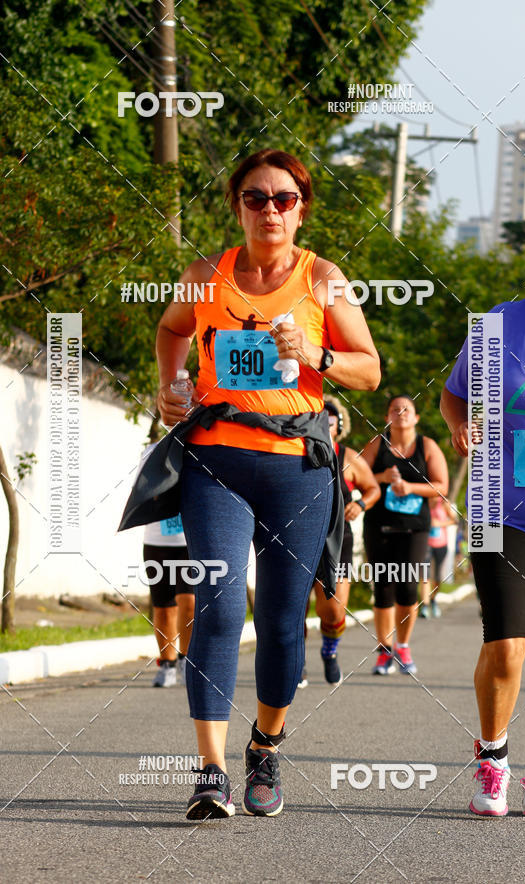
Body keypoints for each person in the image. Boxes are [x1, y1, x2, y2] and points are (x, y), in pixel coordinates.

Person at [154, 149, 380, 819]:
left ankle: (265, 746)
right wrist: (171, 385)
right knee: (220, 607)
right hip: (216, 462)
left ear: (301, 209)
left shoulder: (323, 279)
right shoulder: (205, 276)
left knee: (282, 622)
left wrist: (317, 354)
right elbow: (171, 330)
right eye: (256, 197)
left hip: (296, 470)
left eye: (284, 199)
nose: (270, 210)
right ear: (238, 207)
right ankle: (210, 771)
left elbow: (370, 370)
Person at [441, 208, 525, 818]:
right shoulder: (499, 325)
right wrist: (460, 426)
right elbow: (454, 396)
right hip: (500, 504)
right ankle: (493, 757)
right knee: (507, 644)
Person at [362, 396, 448, 675]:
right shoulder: (377, 444)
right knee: (383, 587)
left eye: (406, 409)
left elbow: (441, 486)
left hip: (415, 528)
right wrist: (382, 478)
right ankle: (384, 651)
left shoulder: (427, 446)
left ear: (416, 417)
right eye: (394, 409)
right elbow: (356, 475)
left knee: (408, 586)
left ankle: (403, 646)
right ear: (387, 416)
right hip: (379, 526)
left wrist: (411, 488)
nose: (401, 413)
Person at [303, 397, 380, 686]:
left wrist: (360, 504)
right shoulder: (294, 450)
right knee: (294, 608)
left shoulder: (348, 457)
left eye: (330, 420)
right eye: (318, 418)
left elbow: (372, 489)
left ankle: (329, 650)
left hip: (338, 539)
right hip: (298, 536)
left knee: (333, 609)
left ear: (339, 426)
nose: (324, 424)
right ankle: (296, 662)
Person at [138, 444, 195, 687]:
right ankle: (167, 664)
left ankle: (186, 660)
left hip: (189, 542)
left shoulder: (197, 449)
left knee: (189, 602)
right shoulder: (151, 452)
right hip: (157, 541)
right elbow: (142, 491)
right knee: (163, 608)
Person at [418, 496, 456, 619]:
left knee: (437, 577)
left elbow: (454, 521)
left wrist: (440, 523)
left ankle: (433, 599)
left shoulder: (444, 503)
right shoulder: (422, 501)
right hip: (425, 544)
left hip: (441, 544)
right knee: (425, 576)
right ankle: (425, 606)